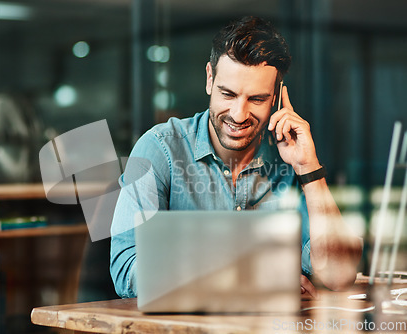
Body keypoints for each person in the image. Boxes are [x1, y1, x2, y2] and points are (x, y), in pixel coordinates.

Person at [110, 16, 363, 299]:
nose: (239, 115)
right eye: (227, 94)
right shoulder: (160, 149)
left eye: (256, 99)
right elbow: (127, 272)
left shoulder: (290, 161)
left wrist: (309, 169)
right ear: (210, 79)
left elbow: (339, 275)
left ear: (277, 97)